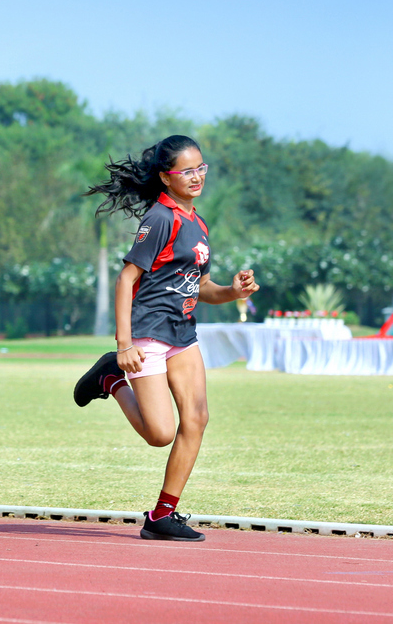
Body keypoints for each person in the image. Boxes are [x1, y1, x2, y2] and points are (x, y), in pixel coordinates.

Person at [73, 135, 259, 542]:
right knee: (159, 434)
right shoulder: (161, 218)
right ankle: (111, 377)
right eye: (186, 171)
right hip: (149, 333)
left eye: (201, 168)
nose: (196, 177)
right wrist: (124, 345)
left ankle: (162, 515)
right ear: (165, 177)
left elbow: (202, 286)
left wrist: (233, 292)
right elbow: (126, 279)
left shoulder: (198, 222)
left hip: (183, 333)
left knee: (197, 420)